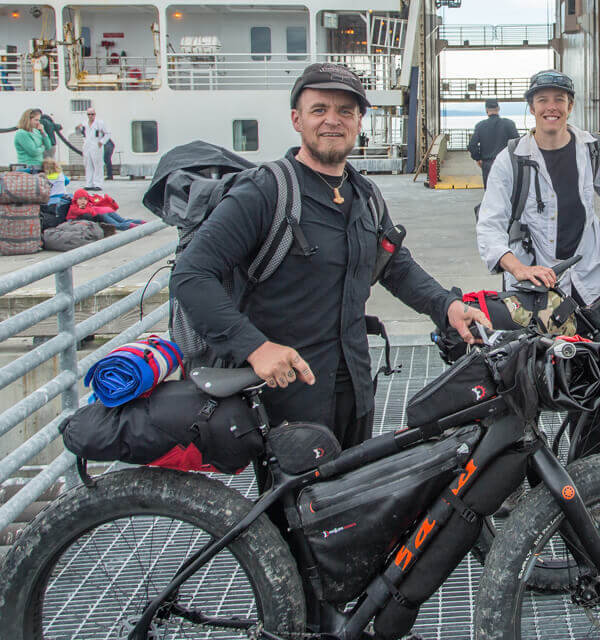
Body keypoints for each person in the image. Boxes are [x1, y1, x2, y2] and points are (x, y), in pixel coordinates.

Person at [171, 62, 491, 449]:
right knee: (294, 507)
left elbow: (394, 266)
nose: (332, 121)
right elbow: (191, 275)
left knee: (353, 499)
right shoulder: (264, 192)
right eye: (319, 109)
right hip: (285, 394)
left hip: (355, 385)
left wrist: (447, 306)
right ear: (297, 119)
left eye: (345, 111)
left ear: (359, 121)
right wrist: (254, 347)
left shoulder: (365, 195)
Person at [476, 69, 600, 306]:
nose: (551, 107)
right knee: (539, 345)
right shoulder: (510, 159)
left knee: (589, 342)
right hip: (533, 286)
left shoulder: (589, 148)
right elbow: (489, 225)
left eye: (559, 99)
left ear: (570, 106)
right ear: (531, 107)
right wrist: (518, 269)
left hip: (586, 278)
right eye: (542, 100)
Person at [469, 98, 520, 187]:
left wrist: (478, 158)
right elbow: (517, 143)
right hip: (505, 163)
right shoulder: (509, 123)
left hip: (488, 163)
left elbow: (472, 145)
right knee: (507, 191)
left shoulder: (480, 125)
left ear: (486, 110)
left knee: (490, 192)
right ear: (498, 108)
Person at [66, 188, 143, 229]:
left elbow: (92, 213)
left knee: (120, 222)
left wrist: (87, 209)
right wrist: (87, 209)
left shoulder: (88, 205)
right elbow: (81, 212)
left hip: (105, 212)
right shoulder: (74, 207)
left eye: (85, 199)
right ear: (76, 200)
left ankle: (140, 222)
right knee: (118, 223)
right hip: (106, 211)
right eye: (80, 199)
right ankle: (133, 225)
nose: (83, 201)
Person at [74, 107, 110, 190]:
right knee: (88, 165)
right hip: (87, 146)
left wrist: (102, 142)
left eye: (92, 114)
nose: (90, 116)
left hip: (96, 146)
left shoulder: (100, 123)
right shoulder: (84, 123)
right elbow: (78, 133)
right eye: (89, 114)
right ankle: (89, 184)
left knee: (98, 165)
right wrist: (77, 128)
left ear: (95, 114)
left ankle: (98, 184)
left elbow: (108, 133)